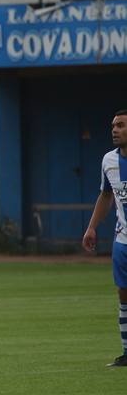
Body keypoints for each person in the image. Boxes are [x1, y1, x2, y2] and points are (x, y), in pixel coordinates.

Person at [81, 108, 127, 368]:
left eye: (120, 125)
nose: (114, 130)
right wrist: (91, 227)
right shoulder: (108, 161)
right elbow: (106, 195)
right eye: (113, 126)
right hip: (123, 241)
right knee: (123, 293)